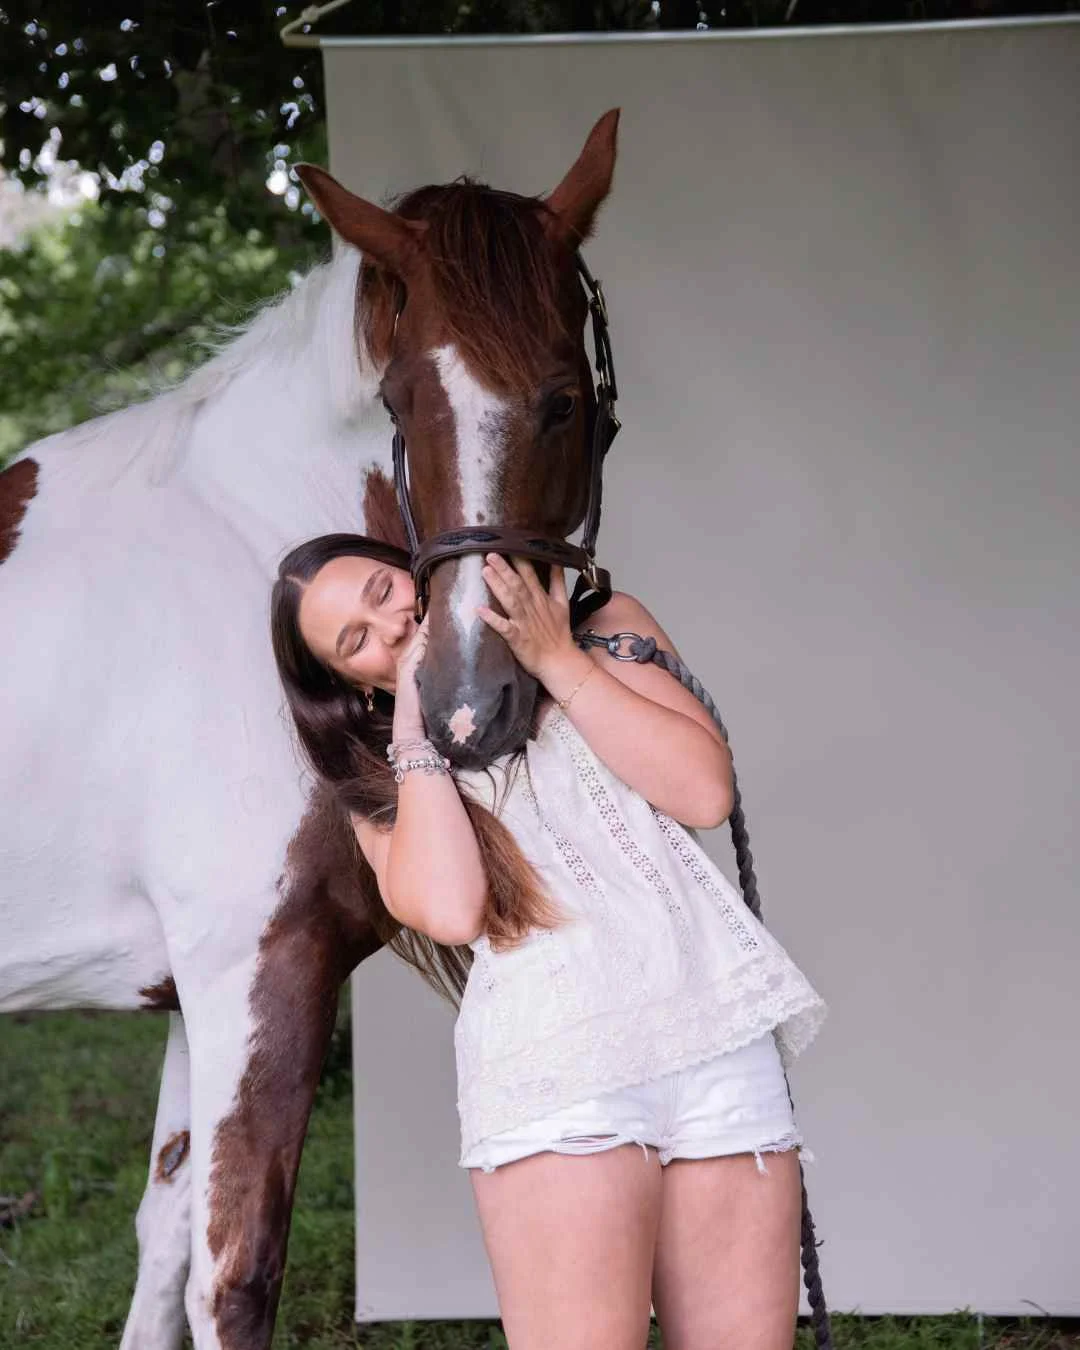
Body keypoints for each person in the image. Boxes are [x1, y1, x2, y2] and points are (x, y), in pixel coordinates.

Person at [270, 532, 826, 1350]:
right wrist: (417, 733)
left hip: (717, 1042)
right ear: (350, 684)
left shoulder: (606, 628)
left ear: (419, 568)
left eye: (384, 591)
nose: (388, 627)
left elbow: (703, 791)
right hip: (562, 1077)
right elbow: (455, 910)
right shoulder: (379, 780)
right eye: (355, 638)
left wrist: (558, 658)